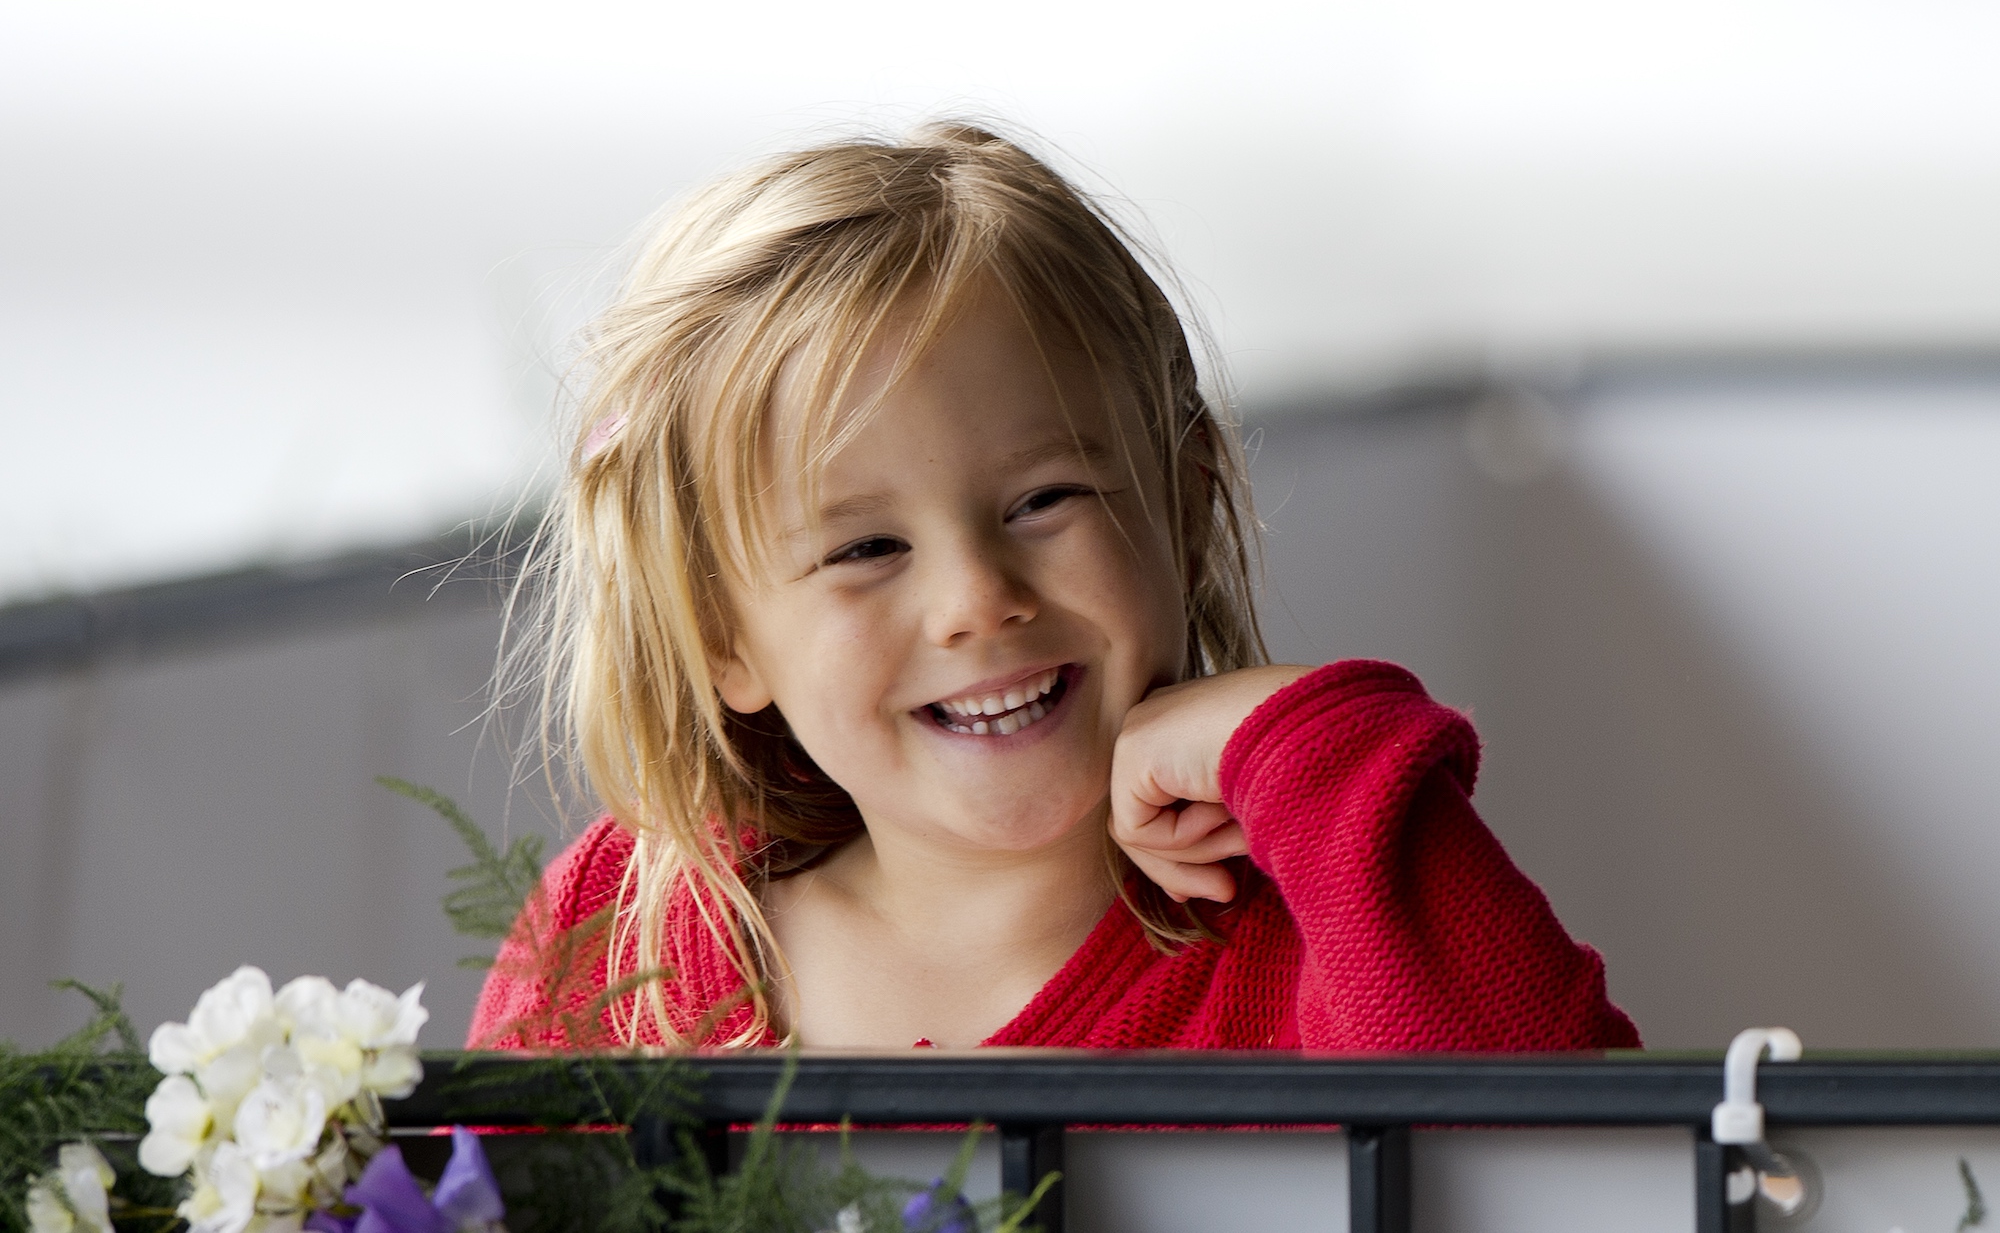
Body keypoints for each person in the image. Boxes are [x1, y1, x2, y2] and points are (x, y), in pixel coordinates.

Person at [469, 122, 1638, 1054]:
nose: (977, 597)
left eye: (1044, 500)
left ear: (1181, 511)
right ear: (721, 635)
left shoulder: (1318, 944)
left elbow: (1575, 1165)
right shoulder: (628, 937)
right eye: (866, 548)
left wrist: (1309, 750)